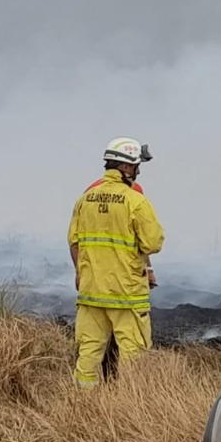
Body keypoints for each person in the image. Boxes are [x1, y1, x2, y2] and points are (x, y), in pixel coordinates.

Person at [68, 137, 165, 388]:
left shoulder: (85, 199)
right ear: (126, 167)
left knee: (88, 353)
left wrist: (81, 273)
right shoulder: (136, 200)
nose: (137, 172)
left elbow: (74, 242)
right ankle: (130, 409)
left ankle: (82, 405)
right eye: (136, 166)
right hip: (126, 295)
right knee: (134, 355)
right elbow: (153, 243)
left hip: (91, 293)